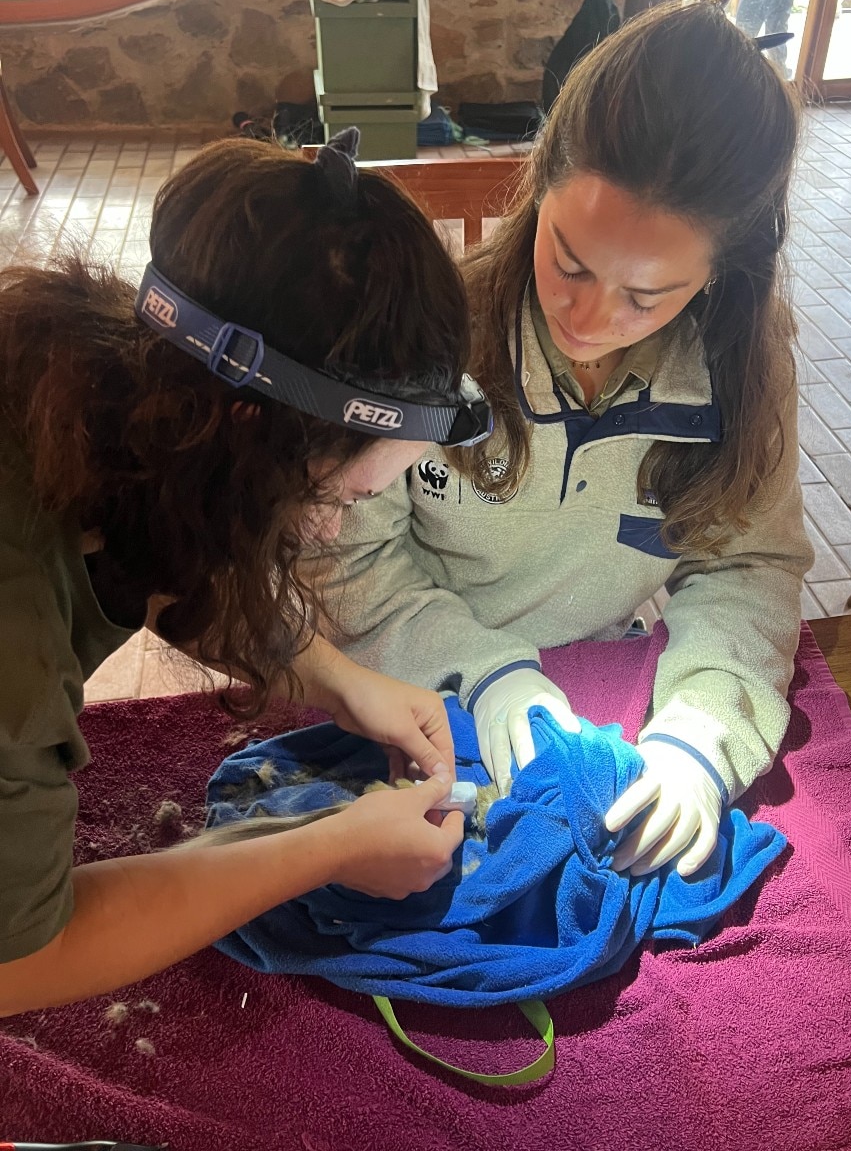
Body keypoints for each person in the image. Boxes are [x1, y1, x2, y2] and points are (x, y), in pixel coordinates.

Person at [323, 0, 814, 884]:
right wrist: (485, 674)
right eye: (569, 262)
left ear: (719, 274)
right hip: (416, 679)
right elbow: (347, 566)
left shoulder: (739, 372)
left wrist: (704, 730)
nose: (586, 320)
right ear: (539, 181)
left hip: (611, 685)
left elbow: (748, 567)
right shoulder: (430, 343)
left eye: (646, 296)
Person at [0, 131, 489, 1015]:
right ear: (244, 438)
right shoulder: (13, 640)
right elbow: (20, 963)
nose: (331, 529)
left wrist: (342, 682)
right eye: (335, 496)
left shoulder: (109, 376)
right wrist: (326, 850)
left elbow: (171, 539)